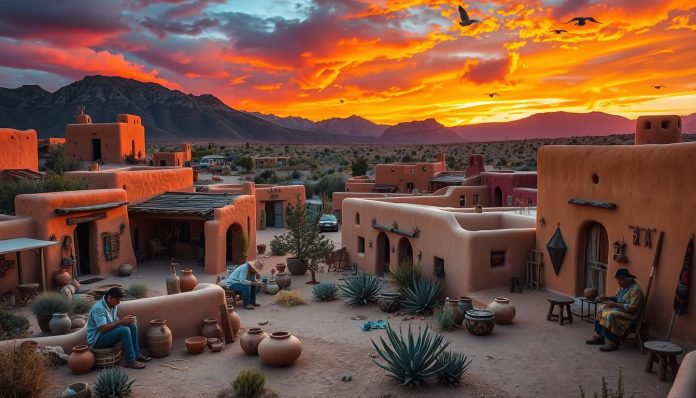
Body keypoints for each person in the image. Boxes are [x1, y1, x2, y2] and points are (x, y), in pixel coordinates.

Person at [86, 287, 151, 369]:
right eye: (117, 300)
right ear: (109, 298)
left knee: (132, 326)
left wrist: (127, 321)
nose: (118, 302)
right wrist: (121, 322)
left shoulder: (112, 305)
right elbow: (102, 329)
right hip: (97, 339)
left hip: (106, 334)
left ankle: (137, 355)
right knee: (124, 330)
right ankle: (130, 361)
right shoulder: (99, 308)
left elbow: (114, 321)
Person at [586, 268, 644, 352]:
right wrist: (607, 297)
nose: (618, 283)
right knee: (602, 308)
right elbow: (617, 298)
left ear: (626, 279)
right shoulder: (623, 286)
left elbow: (632, 307)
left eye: (619, 281)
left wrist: (615, 304)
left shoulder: (636, 290)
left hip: (631, 314)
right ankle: (600, 336)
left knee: (610, 314)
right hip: (621, 309)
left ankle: (613, 342)